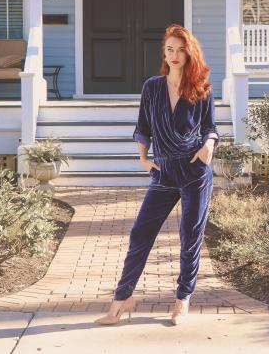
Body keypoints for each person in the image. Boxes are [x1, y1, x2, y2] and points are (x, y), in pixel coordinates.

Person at [94, 24, 219, 326]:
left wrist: (208, 147)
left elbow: (210, 129)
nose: (175, 55)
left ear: (189, 54)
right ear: (164, 53)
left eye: (180, 50)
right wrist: (142, 158)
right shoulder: (152, 87)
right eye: (170, 50)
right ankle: (123, 299)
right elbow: (143, 127)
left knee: (190, 237)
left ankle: (182, 301)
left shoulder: (201, 88)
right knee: (140, 233)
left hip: (194, 171)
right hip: (163, 172)